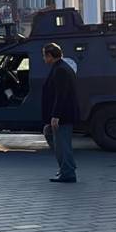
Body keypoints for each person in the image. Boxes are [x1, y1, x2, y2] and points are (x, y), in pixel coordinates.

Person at [41, 43, 80, 182]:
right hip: (62, 114)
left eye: (44, 56)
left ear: (50, 56)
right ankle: (66, 168)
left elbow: (61, 94)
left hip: (62, 115)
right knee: (58, 143)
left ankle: (68, 172)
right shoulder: (62, 67)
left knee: (62, 145)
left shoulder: (60, 70)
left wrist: (56, 115)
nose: (43, 59)